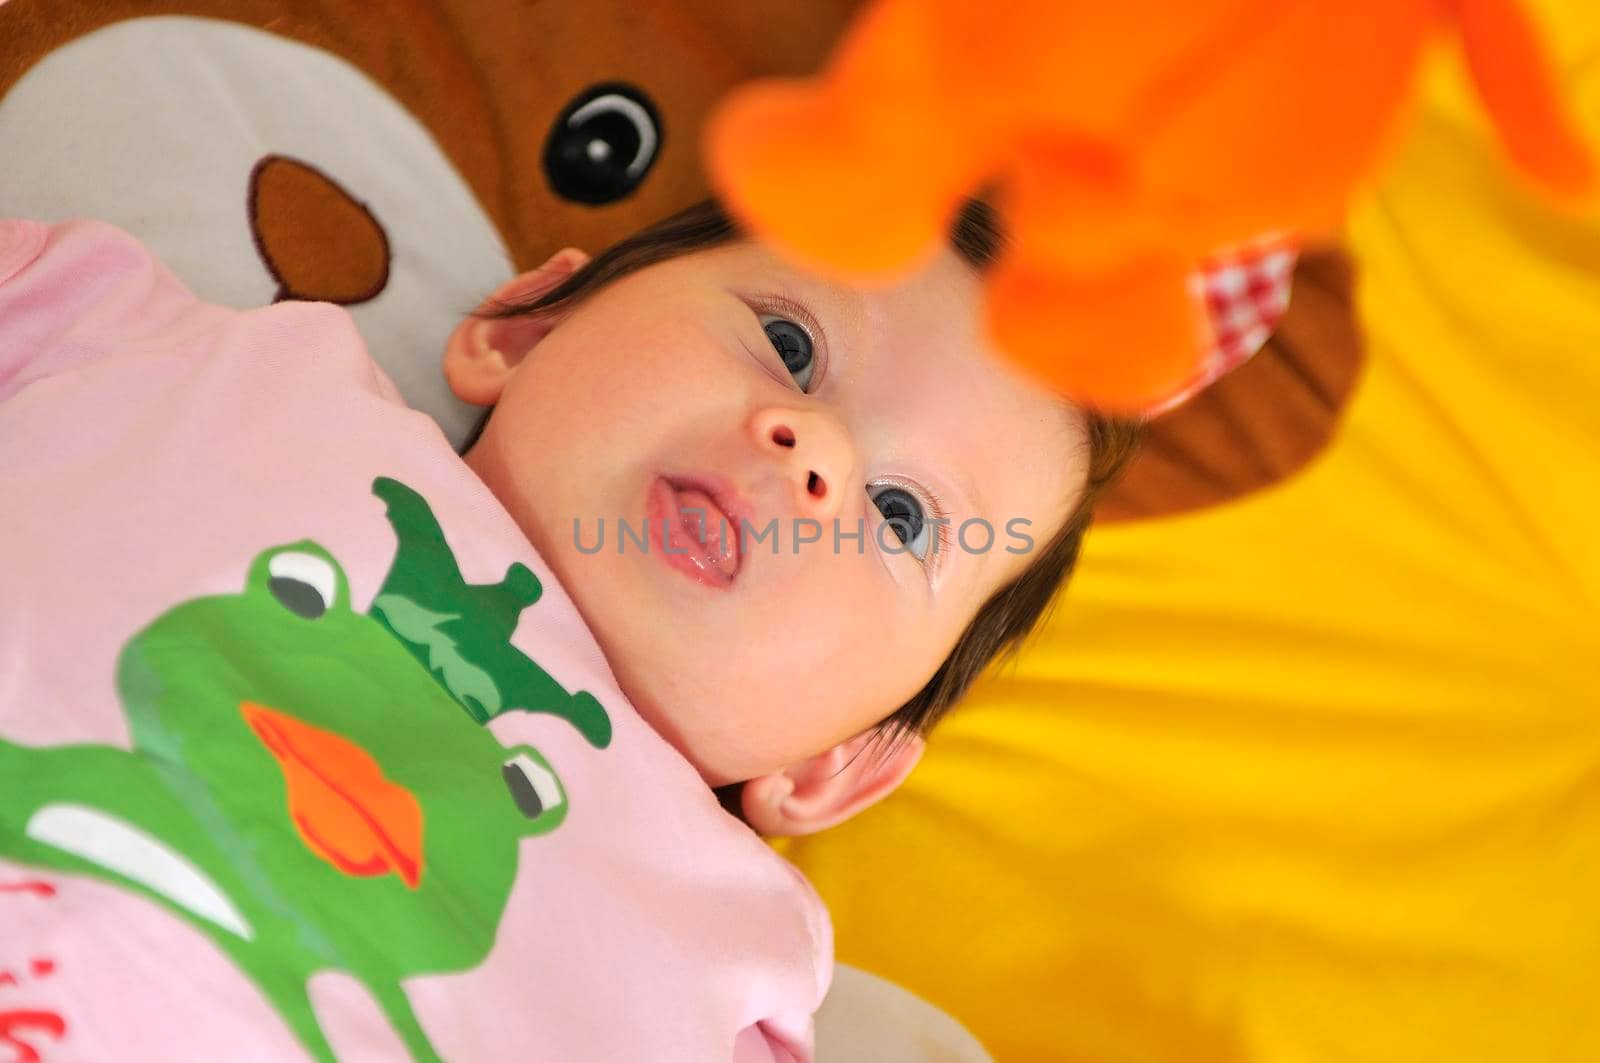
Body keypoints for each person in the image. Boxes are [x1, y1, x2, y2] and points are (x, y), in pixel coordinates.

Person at [0, 198, 1138, 1062]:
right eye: (789, 347)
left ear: (834, 765)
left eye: (901, 516)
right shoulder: (193, 365)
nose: (811, 448)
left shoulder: (720, 950)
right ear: (528, 328)